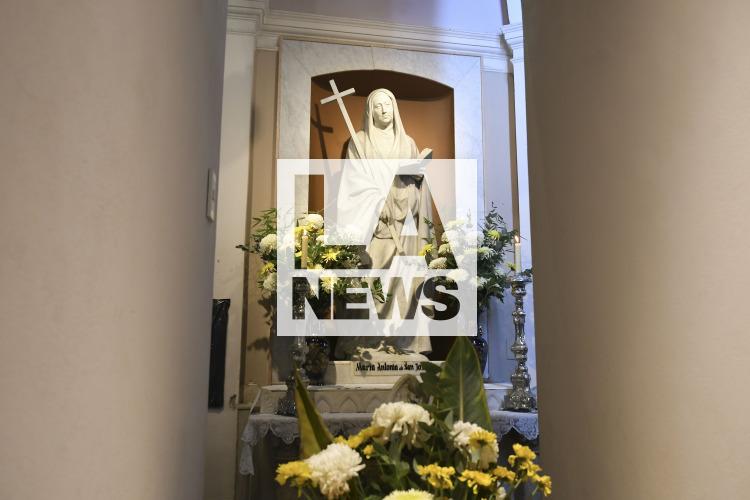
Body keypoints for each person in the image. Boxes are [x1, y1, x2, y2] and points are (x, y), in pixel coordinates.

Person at [334, 88, 432, 358]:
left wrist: (416, 176)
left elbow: (417, 184)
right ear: (370, 112)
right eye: (377, 106)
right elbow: (351, 186)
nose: (383, 109)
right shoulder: (360, 142)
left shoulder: (407, 143)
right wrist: (374, 195)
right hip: (375, 227)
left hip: (404, 228)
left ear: (394, 107)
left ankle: (402, 342)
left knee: (404, 285)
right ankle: (369, 343)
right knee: (372, 283)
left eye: (387, 104)